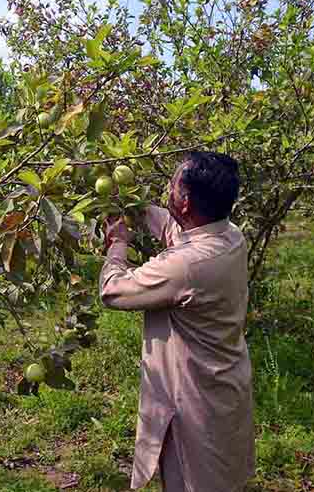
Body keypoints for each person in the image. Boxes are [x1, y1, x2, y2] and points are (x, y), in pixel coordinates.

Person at [99, 151, 254, 491]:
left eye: (172, 183)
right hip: (223, 383)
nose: (166, 187)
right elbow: (173, 228)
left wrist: (118, 245)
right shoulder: (230, 236)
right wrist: (132, 205)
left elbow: (113, 290)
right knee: (221, 475)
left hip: (193, 402)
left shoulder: (185, 266)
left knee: (194, 481)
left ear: (185, 202)